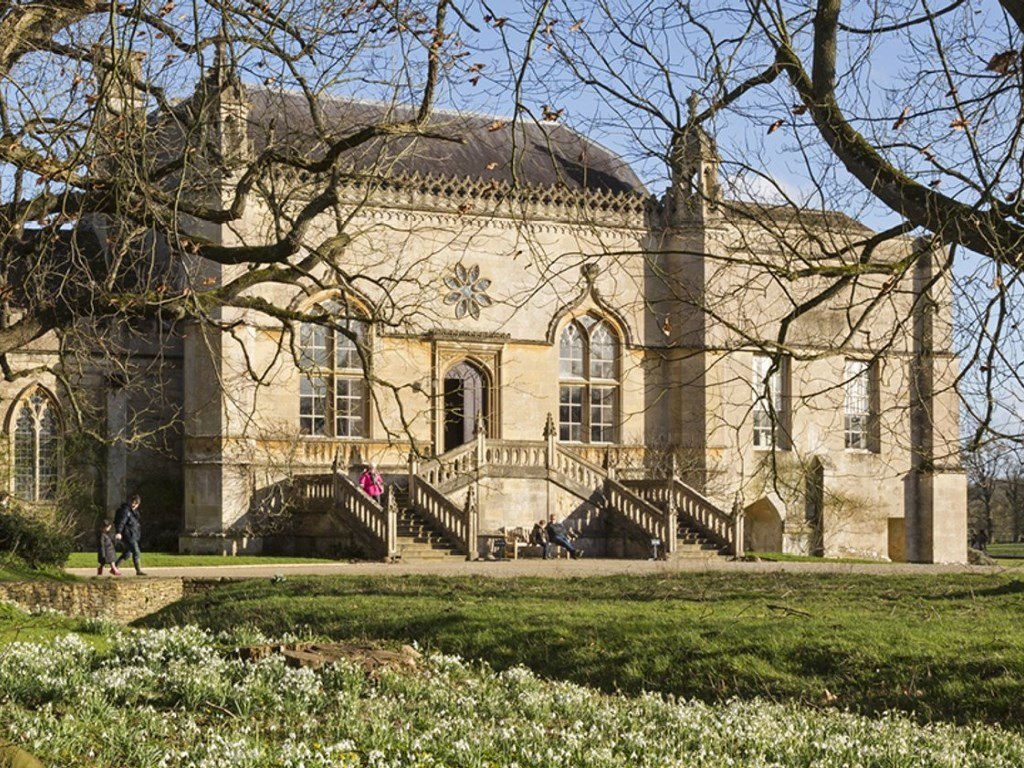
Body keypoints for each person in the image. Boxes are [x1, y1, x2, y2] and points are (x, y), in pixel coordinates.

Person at [113, 494, 147, 576]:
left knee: (128, 553)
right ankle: (138, 571)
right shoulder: (125, 511)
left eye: (136, 503)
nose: (134, 505)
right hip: (128, 535)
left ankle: (114, 567)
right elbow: (121, 522)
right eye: (133, 502)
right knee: (136, 551)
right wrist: (118, 532)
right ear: (130, 502)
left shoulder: (134, 513)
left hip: (133, 534)